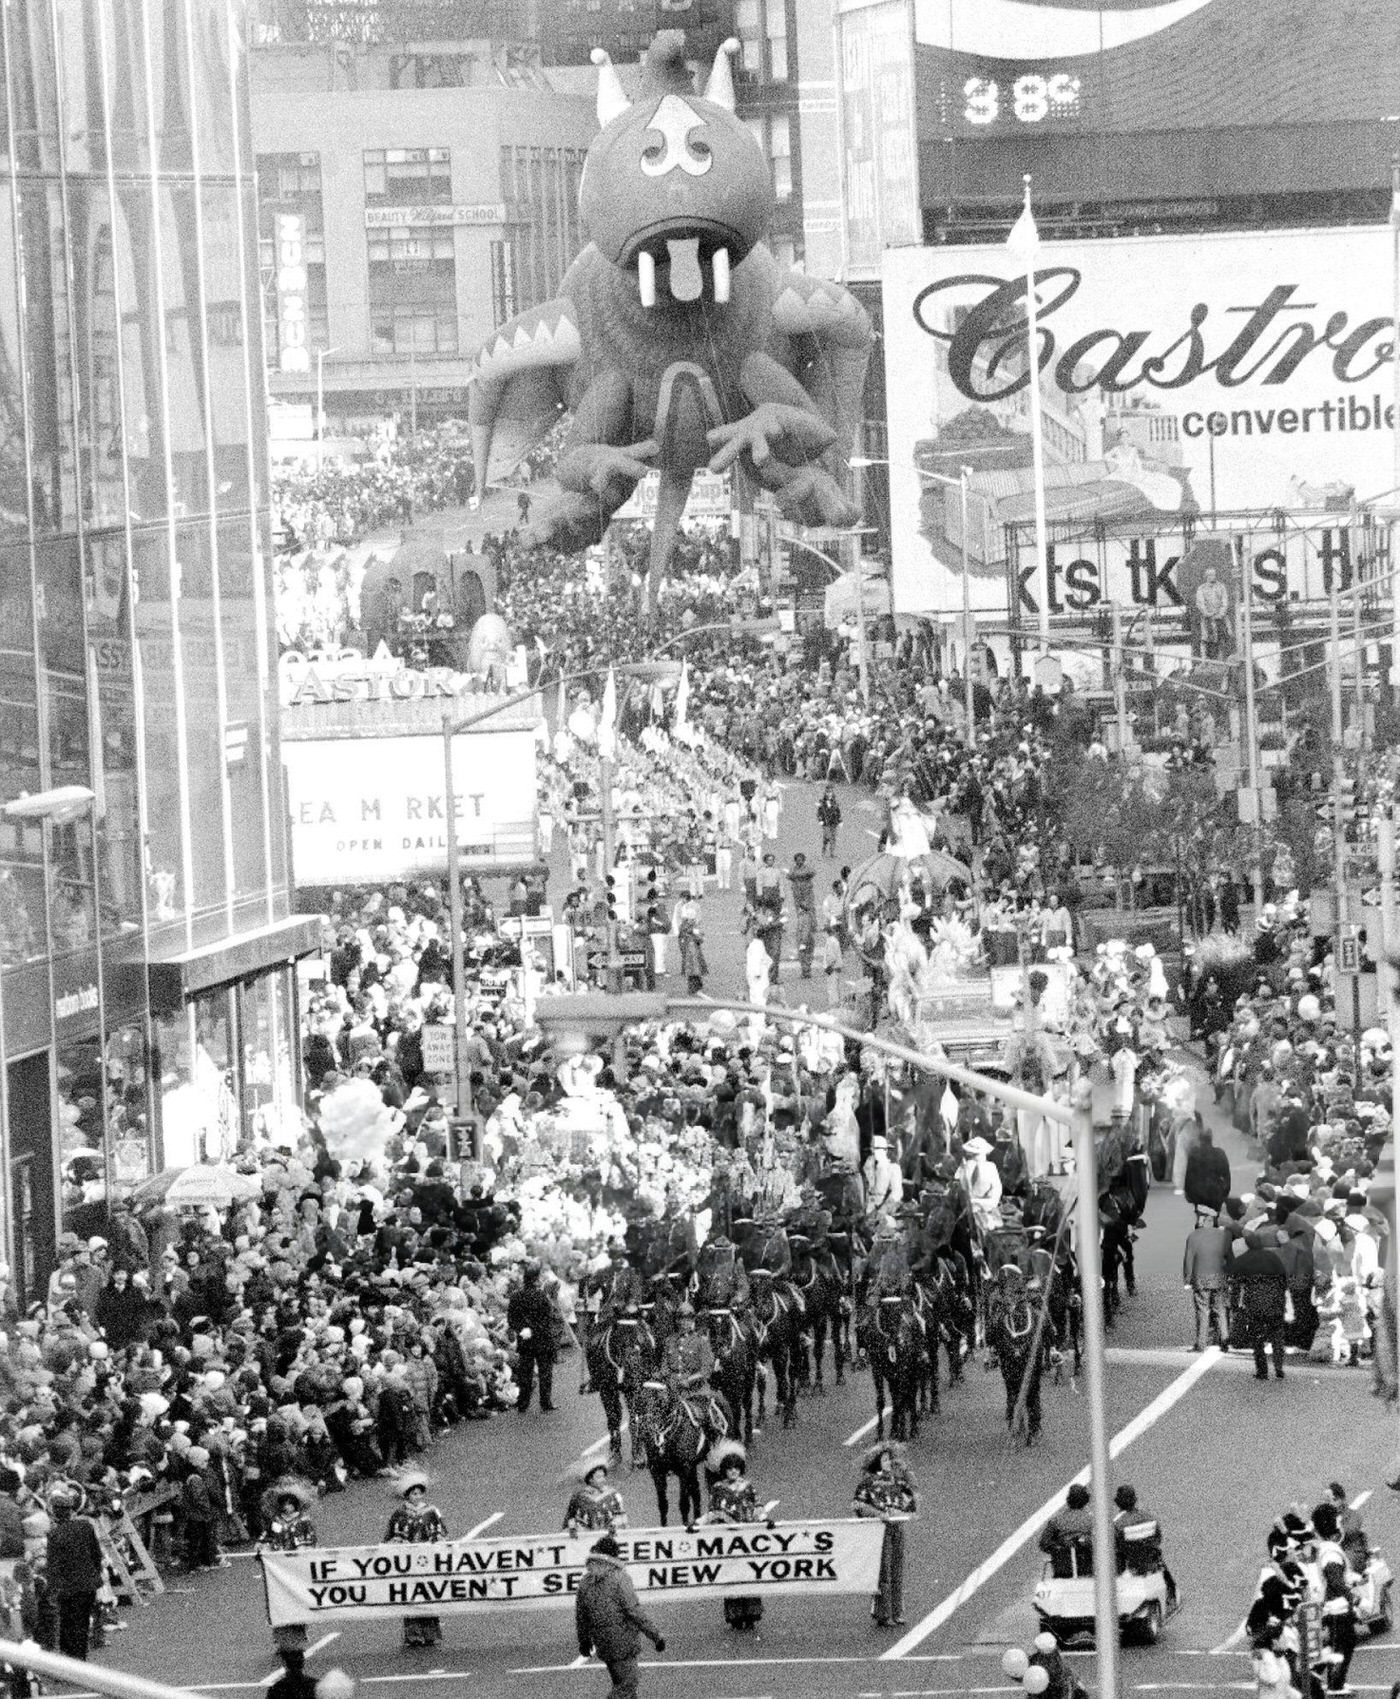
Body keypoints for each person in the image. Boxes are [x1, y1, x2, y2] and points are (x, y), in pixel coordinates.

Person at [575, 1532, 666, 1699]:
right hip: (623, 1641)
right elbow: (634, 1611)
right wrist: (655, 1635)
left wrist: (584, 1640)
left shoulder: (585, 1581)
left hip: (602, 1642)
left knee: (623, 1685)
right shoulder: (620, 1578)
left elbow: (581, 1616)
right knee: (627, 1686)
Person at [852, 1442, 918, 1628]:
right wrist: (878, 1514)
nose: (888, 1462)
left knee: (897, 1570)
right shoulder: (868, 1483)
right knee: (884, 1572)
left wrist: (904, 1513)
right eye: (884, 1459)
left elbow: (911, 1503)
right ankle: (883, 1613)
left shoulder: (898, 1481)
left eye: (890, 1459)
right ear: (877, 1462)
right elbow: (858, 1505)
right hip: (879, 1530)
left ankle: (897, 1612)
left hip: (897, 1527)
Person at [701, 1441, 764, 1630]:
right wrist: (698, 1525)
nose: (734, 1472)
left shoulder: (748, 1487)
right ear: (724, 1471)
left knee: (749, 1573)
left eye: (736, 1468)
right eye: (730, 1469)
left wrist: (764, 1520)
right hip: (727, 1539)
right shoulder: (718, 1489)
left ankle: (752, 1613)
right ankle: (735, 1615)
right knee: (732, 1575)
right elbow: (712, 1513)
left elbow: (758, 1507)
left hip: (748, 1538)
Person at [384, 1473, 447, 1648]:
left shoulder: (431, 1512)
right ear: (407, 1496)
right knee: (410, 1593)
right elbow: (392, 1535)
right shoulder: (400, 1513)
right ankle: (413, 1634)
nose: (417, 1497)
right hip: (408, 1561)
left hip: (426, 1560)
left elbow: (440, 1533)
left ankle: (430, 1632)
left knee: (427, 1592)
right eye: (413, 1494)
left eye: (419, 1493)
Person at [44, 1486, 103, 1661]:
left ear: (54, 1511)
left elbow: (53, 1565)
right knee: (82, 1623)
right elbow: (96, 1553)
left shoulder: (54, 1534)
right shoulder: (85, 1526)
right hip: (88, 1582)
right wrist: (96, 1572)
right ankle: (80, 1658)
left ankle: (71, 1659)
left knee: (68, 1623)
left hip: (67, 1587)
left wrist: (52, 1589)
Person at [1230, 1232, 1289, 1381]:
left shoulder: (1244, 1260)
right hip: (1275, 1301)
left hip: (1255, 1303)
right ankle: (1279, 1367)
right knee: (1277, 1335)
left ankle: (1262, 1370)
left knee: (1257, 1337)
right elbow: (1284, 1279)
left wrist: (1235, 1306)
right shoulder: (1273, 1257)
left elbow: (1236, 1283)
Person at [507, 1260, 560, 1413]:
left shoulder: (516, 1296)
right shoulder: (542, 1296)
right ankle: (545, 1402)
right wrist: (534, 1330)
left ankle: (523, 1404)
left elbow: (512, 1319)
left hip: (525, 1340)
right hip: (542, 1340)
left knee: (525, 1373)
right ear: (536, 1279)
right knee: (545, 1373)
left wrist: (522, 1330)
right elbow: (547, 1319)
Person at [1183, 1204, 1232, 1352]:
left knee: (1202, 1311)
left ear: (1202, 1220)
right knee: (1220, 1310)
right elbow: (1229, 1257)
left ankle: (1201, 1343)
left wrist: (1187, 1279)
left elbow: (1189, 1259)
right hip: (1219, 1277)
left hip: (1201, 1278)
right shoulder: (1223, 1236)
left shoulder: (1193, 1236)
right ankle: (1224, 1340)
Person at [1038, 1484, 1094, 1578]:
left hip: (1062, 1571)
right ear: (1086, 1500)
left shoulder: (1056, 1520)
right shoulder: (1093, 1520)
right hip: (1089, 1571)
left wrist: (1060, 1546)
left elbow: (1044, 1543)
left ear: (1068, 1500)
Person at [565, 1462, 627, 1537]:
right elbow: (571, 1518)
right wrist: (572, 1528)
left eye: (603, 1476)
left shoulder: (613, 1495)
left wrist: (616, 1524)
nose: (603, 1480)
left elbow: (621, 1516)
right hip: (585, 1538)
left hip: (610, 1538)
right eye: (599, 1477)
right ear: (590, 1479)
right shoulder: (578, 1497)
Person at [1183, 1126, 1231, 1215]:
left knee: (1201, 1218)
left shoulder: (1194, 1153)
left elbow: (1188, 1176)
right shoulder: (1219, 1153)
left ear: (1199, 1139)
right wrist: (1225, 1193)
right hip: (1215, 1193)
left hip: (1198, 1194)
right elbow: (1227, 1176)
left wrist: (1188, 1194)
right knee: (1214, 1219)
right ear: (1211, 1139)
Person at [788, 853, 817, 979]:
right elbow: (789, 875)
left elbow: (812, 872)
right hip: (798, 892)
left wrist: (801, 877)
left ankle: (812, 923)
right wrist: (801, 877)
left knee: (810, 910)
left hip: (807, 892)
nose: (799, 862)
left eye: (801, 860)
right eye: (797, 860)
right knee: (800, 911)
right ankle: (805, 969)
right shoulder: (794, 870)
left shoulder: (807, 868)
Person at [817, 785, 842, 859]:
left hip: (834, 822)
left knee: (833, 838)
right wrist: (820, 820)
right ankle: (823, 854)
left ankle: (832, 853)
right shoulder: (822, 801)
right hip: (826, 822)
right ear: (825, 792)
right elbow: (819, 812)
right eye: (827, 792)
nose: (829, 793)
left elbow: (838, 811)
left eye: (830, 792)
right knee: (826, 838)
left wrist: (840, 821)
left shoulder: (835, 801)